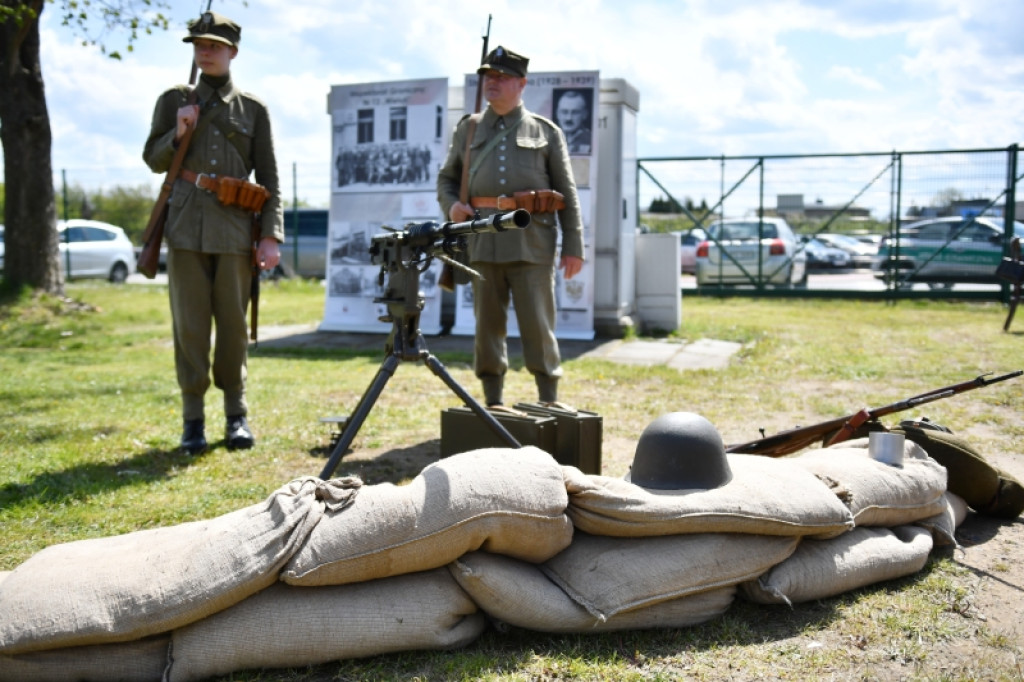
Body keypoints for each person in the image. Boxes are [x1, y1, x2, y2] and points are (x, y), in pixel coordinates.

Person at [143, 11, 284, 454]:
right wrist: (177, 131)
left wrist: (270, 235)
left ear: (232, 52)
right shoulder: (174, 101)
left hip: (236, 231)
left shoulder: (253, 109)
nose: (205, 51)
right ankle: (192, 421)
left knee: (233, 327)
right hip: (184, 229)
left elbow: (272, 181)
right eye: (198, 45)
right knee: (189, 327)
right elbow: (152, 158)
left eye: (214, 46)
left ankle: (235, 415)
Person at [437, 46, 584, 409]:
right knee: (487, 328)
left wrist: (573, 245)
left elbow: (567, 192)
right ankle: (494, 402)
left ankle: (548, 401)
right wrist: (452, 206)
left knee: (538, 326)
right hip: (483, 243)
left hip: (532, 242)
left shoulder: (545, 131)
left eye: (502, 77)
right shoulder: (469, 129)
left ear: (522, 84)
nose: (493, 82)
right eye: (489, 76)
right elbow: (446, 180)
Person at [554, 89, 592, 154]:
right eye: (564, 112)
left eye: (575, 112)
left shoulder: (591, 140)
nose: (569, 118)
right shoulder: (550, 139)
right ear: (557, 113)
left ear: (584, 114)